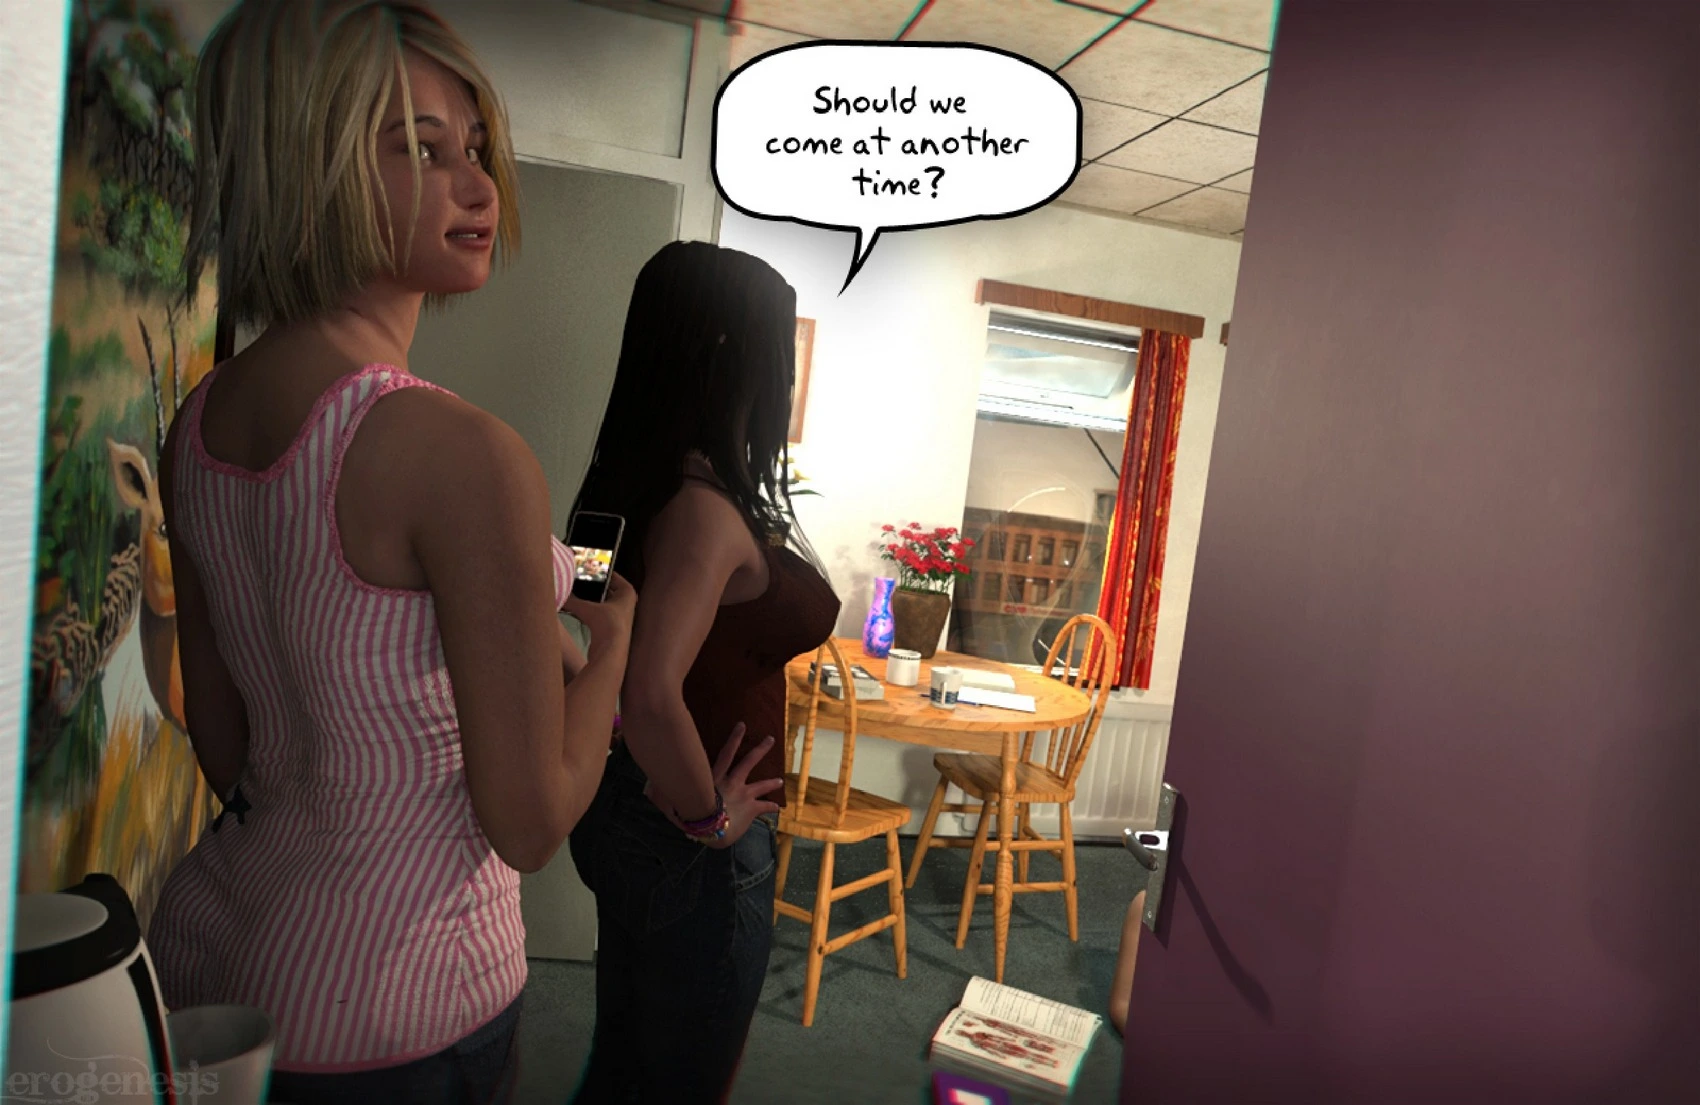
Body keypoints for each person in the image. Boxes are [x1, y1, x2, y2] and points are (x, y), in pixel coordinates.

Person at [145, 3, 626, 1101]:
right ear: (305, 163)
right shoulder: (461, 452)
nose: (477, 187)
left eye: (475, 149)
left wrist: (580, 586)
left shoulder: (199, 425)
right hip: (397, 1008)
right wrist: (614, 649)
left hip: (218, 952)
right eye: (417, 147)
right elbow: (529, 823)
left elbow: (224, 741)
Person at [566, 241, 843, 1103]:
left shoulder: (622, 487)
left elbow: (585, 633)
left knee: (624, 1065)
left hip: (625, 804)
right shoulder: (704, 512)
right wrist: (709, 817)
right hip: (690, 838)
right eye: (774, 348)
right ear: (729, 355)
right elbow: (651, 692)